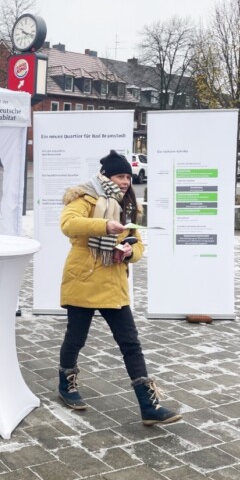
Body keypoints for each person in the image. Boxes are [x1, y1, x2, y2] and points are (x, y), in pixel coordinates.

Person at [57, 150, 181, 426]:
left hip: (113, 280)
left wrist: (128, 252)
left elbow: (138, 245)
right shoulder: (84, 197)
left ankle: (148, 406)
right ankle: (67, 385)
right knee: (76, 337)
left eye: (127, 176)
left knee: (130, 342)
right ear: (106, 176)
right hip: (84, 277)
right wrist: (105, 226)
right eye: (119, 176)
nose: (125, 181)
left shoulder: (128, 204)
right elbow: (68, 224)